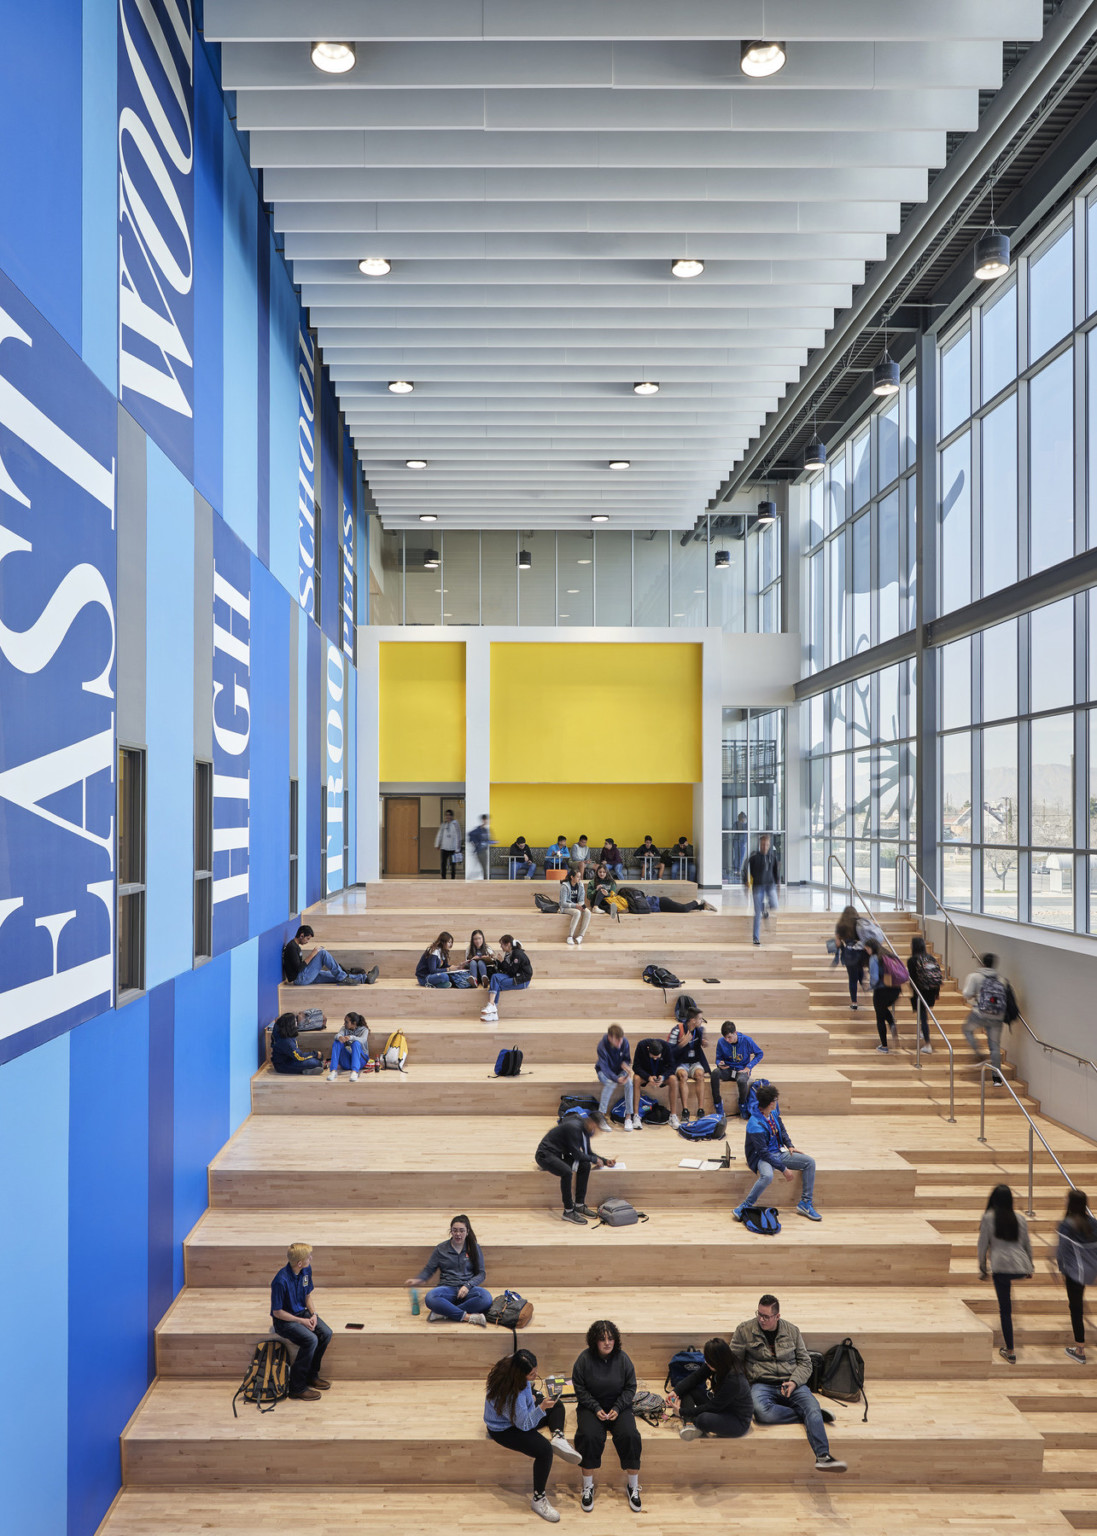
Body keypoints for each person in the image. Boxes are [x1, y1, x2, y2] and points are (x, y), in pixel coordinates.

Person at [730, 1295, 846, 1472]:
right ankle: (810, 1415)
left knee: (811, 1405)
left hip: (792, 1382)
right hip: (762, 1384)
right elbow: (733, 1362)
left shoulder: (792, 1331)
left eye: (766, 1316)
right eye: (759, 1314)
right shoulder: (744, 1330)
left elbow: (805, 1362)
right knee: (762, 1414)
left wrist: (794, 1381)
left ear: (777, 1316)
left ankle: (823, 1456)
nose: (761, 1319)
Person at [485, 1347, 581, 1523]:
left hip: (520, 1410)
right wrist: (541, 1407)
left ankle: (558, 1437)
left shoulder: (512, 1365)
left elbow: (527, 1399)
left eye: (535, 1371)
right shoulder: (512, 1395)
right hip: (505, 1429)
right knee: (544, 1450)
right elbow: (525, 1424)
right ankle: (538, 1498)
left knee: (556, 1405)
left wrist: (536, 1396)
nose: (535, 1375)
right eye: (531, 1374)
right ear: (518, 1375)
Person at [572, 1319, 643, 1513]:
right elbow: (579, 1389)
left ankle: (633, 1486)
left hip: (619, 1407)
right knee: (588, 1436)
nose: (607, 1343)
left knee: (630, 1435)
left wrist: (618, 1408)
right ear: (594, 1341)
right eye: (602, 1339)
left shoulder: (623, 1359)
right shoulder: (584, 1359)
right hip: (590, 1407)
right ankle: (587, 1486)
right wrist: (595, 1408)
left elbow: (630, 1388)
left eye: (610, 1338)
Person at [735, 1083, 821, 1223]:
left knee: (809, 1162)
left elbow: (782, 1128)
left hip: (778, 1152)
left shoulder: (773, 1113)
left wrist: (790, 1145)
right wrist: (783, 1169)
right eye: (775, 1100)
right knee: (767, 1176)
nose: (777, 1102)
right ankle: (745, 1205)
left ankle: (805, 1203)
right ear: (770, 1104)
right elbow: (763, 1153)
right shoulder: (754, 1124)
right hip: (762, 1158)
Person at [270, 1242, 333, 1401]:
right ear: (299, 1263)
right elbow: (277, 1312)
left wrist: (313, 1315)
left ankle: (312, 1375)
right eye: (309, 1257)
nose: (311, 1258)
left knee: (326, 1333)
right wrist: (301, 1321)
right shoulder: (280, 1281)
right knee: (311, 1340)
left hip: (302, 1313)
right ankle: (297, 1387)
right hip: (284, 1320)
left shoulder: (306, 1270)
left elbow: (307, 1296)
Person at [979, 1184, 1034, 1364]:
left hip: (1001, 1267)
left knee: (1005, 1310)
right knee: (1006, 1307)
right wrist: (1030, 1267)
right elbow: (1027, 1244)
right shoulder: (1020, 1218)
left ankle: (1010, 1351)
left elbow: (982, 1245)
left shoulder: (988, 1218)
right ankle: (1009, 1349)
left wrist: (982, 1268)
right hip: (1020, 1266)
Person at [405, 1214, 492, 1325]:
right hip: (447, 1289)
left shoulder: (474, 1247)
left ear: (467, 1231)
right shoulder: (441, 1248)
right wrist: (419, 1279)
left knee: (486, 1298)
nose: (458, 1234)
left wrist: (467, 1286)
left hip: (468, 1290)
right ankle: (467, 1317)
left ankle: (443, 1312)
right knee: (431, 1298)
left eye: (461, 1230)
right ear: (450, 1231)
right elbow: (429, 1269)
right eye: (454, 1230)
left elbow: (481, 1273)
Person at [666, 1336, 753, 1440]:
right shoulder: (722, 1362)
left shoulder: (734, 1379)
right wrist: (676, 1391)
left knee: (703, 1419)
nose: (706, 1363)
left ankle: (694, 1422)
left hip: (737, 1420)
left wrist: (682, 1411)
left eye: (708, 1361)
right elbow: (696, 1377)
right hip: (723, 1406)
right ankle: (690, 1423)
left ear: (717, 1361)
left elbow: (713, 1406)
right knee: (686, 1388)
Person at [534, 1114, 614, 1224]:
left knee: (585, 1165)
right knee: (566, 1172)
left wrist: (604, 1160)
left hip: (558, 1156)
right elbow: (577, 1154)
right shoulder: (574, 1128)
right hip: (545, 1155)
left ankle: (579, 1205)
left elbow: (588, 1153)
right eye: (597, 1128)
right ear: (592, 1123)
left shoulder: (585, 1129)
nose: (597, 1132)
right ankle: (568, 1211)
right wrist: (595, 1159)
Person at [1056, 1189, 1097, 1364]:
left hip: (1075, 1273)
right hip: (1093, 1270)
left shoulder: (1066, 1225)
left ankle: (1080, 1349)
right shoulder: (1094, 1223)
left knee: (1076, 1308)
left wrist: (1061, 1270)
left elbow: (1061, 1252)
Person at [962, 952, 1011, 1084]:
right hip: (997, 1016)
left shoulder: (975, 976)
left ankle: (978, 1053)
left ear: (982, 963)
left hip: (980, 1013)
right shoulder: (1002, 980)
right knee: (995, 1046)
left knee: (967, 1030)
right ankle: (997, 1078)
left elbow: (966, 994)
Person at [282, 924, 376, 987]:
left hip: (303, 976)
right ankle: (343, 977)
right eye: (307, 939)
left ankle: (365, 978)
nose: (307, 941)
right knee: (322, 953)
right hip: (299, 979)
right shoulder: (291, 947)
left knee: (331, 975)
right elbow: (299, 968)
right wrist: (313, 954)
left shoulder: (295, 946)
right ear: (301, 935)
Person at [711, 1020, 764, 1118]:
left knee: (742, 1080)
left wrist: (749, 1067)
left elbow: (759, 1053)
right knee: (714, 1073)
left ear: (735, 1033)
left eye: (729, 1037)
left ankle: (742, 1104)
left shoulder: (747, 1040)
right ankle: (718, 1104)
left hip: (741, 1070)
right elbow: (718, 1058)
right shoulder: (721, 1042)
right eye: (725, 1037)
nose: (727, 1040)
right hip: (729, 1071)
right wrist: (719, 1063)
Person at [667, 1008, 711, 1128]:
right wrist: (681, 1044)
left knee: (700, 1075)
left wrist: (705, 1042)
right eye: (700, 1019)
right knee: (683, 1076)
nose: (702, 1021)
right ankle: (685, 1110)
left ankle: (700, 1110)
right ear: (693, 1020)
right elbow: (668, 1052)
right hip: (680, 1063)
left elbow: (704, 1041)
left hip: (694, 1062)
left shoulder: (700, 1030)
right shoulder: (677, 1030)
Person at [481, 934, 532, 1021]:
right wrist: (496, 960)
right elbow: (506, 969)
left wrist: (502, 961)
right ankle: (492, 1009)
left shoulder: (517, 954)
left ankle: (492, 1009)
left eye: (502, 944)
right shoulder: (509, 954)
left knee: (496, 983)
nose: (501, 947)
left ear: (508, 944)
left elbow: (512, 971)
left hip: (521, 981)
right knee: (495, 977)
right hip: (514, 976)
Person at [863, 937, 901, 1053]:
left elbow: (874, 978)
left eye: (867, 949)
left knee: (880, 1017)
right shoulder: (889, 955)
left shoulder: (874, 958)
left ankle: (884, 1046)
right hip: (895, 990)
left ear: (870, 948)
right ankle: (892, 1024)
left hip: (881, 990)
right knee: (883, 1009)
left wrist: (870, 987)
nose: (867, 952)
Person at [595, 1024, 634, 1130]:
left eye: (621, 1040)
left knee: (629, 1083)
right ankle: (601, 1116)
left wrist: (625, 1066)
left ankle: (628, 1117)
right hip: (604, 1072)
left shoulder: (624, 1042)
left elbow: (627, 1059)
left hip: (619, 1070)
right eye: (617, 1041)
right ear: (610, 1037)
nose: (620, 1043)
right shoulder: (602, 1046)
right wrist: (616, 1079)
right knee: (610, 1083)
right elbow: (605, 1068)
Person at [743, 835, 780, 945]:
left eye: (767, 845)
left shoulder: (772, 857)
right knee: (757, 913)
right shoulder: (754, 856)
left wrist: (778, 886)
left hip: (770, 885)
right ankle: (756, 938)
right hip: (758, 886)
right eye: (763, 844)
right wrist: (745, 881)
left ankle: (764, 908)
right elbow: (745, 868)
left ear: (769, 845)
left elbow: (776, 873)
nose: (765, 847)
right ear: (760, 845)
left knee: (775, 905)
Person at [907, 935, 941, 1052]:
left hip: (920, 991)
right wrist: (937, 992)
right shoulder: (931, 958)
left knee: (923, 1017)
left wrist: (914, 991)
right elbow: (936, 975)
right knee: (924, 1014)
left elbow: (911, 979)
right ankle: (922, 1032)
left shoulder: (912, 960)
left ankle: (927, 1044)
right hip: (932, 990)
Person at [631, 1035, 675, 1124]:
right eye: (652, 1056)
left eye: (657, 1057)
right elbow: (636, 1066)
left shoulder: (666, 1047)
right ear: (648, 1049)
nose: (655, 1058)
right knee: (636, 1079)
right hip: (646, 1074)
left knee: (673, 1079)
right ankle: (636, 1115)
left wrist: (663, 1077)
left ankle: (673, 1115)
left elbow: (672, 1067)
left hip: (660, 1074)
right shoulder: (641, 1046)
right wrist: (648, 1077)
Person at [831, 905, 866, 1010]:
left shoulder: (840, 925)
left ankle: (854, 1002)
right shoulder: (859, 923)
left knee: (852, 979)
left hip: (849, 953)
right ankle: (863, 983)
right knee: (860, 970)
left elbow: (837, 943)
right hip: (860, 952)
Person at [328, 1012, 370, 1081]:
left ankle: (354, 1072)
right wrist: (340, 1037)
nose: (344, 1023)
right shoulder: (344, 1028)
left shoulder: (364, 1030)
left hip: (360, 1061)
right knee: (337, 1042)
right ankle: (333, 1071)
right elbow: (337, 1035)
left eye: (346, 1022)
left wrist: (351, 1037)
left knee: (356, 1043)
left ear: (354, 1023)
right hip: (347, 1062)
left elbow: (363, 1040)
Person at [559, 866, 592, 945]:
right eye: (577, 877)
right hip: (565, 907)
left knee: (588, 912)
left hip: (577, 906)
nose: (579, 879)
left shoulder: (580, 885)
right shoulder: (565, 886)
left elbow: (581, 900)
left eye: (580, 877)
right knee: (577, 912)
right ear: (572, 877)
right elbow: (563, 903)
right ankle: (570, 936)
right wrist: (576, 906)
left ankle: (580, 936)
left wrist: (582, 906)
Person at [434, 808, 463, 879]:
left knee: (453, 865)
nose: (448, 817)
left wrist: (457, 849)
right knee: (443, 864)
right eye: (446, 815)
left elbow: (458, 837)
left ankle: (453, 878)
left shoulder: (455, 824)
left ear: (452, 816)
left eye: (449, 815)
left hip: (453, 849)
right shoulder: (443, 825)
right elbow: (439, 834)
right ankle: (443, 878)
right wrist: (437, 844)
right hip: (444, 848)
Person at [468, 814, 492, 881]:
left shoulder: (486, 830)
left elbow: (486, 840)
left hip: (484, 850)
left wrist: (491, 842)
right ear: (483, 820)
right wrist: (476, 844)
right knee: (484, 867)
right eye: (486, 820)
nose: (487, 821)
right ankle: (485, 881)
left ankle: (470, 877)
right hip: (480, 851)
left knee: (481, 867)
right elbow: (470, 834)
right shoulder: (478, 830)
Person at [731, 811, 749, 879]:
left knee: (740, 856)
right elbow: (737, 830)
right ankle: (736, 870)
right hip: (737, 842)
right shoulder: (736, 824)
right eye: (743, 818)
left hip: (741, 842)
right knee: (738, 856)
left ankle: (737, 869)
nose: (744, 819)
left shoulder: (744, 824)